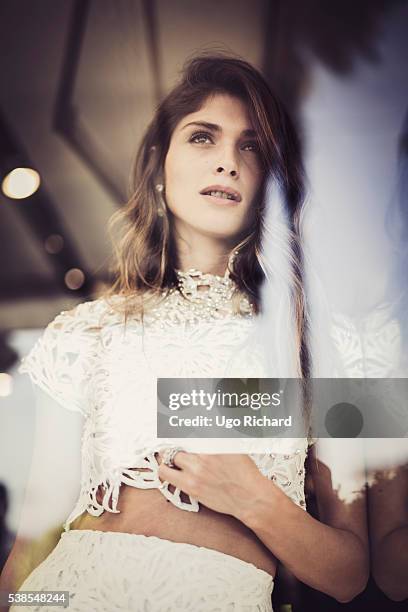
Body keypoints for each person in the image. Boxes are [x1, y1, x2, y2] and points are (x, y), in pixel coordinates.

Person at [0, 54, 369, 611]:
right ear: (158, 166)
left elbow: (350, 574)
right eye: (203, 137)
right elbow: (31, 551)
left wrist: (254, 499)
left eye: (251, 147)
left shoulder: (316, 342)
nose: (227, 162)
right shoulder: (86, 330)